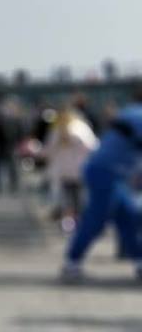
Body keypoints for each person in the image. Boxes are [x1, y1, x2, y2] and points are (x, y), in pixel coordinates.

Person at [61, 94, 142, 282]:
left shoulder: (131, 112)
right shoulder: (137, 115)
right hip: (105, 173)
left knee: (129, 216)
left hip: (117, 175)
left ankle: (139, 262)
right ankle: (72, 263)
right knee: (96, 219)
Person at [43, 106, 97, 232]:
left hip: (63, 170)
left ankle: (68, 224)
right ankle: (81, 223)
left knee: (67, 199)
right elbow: (92, 147)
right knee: (80, 198)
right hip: (80, 169)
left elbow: (48, 151)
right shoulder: (81, 128)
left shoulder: (56, 130)